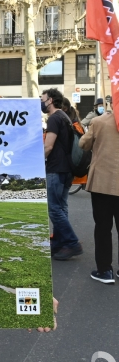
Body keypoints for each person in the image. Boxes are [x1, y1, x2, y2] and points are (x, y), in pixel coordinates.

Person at [41, 88, 83, 261]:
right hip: (67, 170)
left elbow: (49, 146)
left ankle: (72, 243)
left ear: (50, 100)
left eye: (42, 99)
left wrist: (37, 161)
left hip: (56, 168)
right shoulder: (65, 117)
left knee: (54, 209)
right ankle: (59, 243)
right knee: (62, 207)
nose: (41, 102)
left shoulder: (54, 118)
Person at [78, 109, 119, 284]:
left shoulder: (100, 121)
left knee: (103, 227)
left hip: (103, 181)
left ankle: (105, 270)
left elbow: (83, 144)